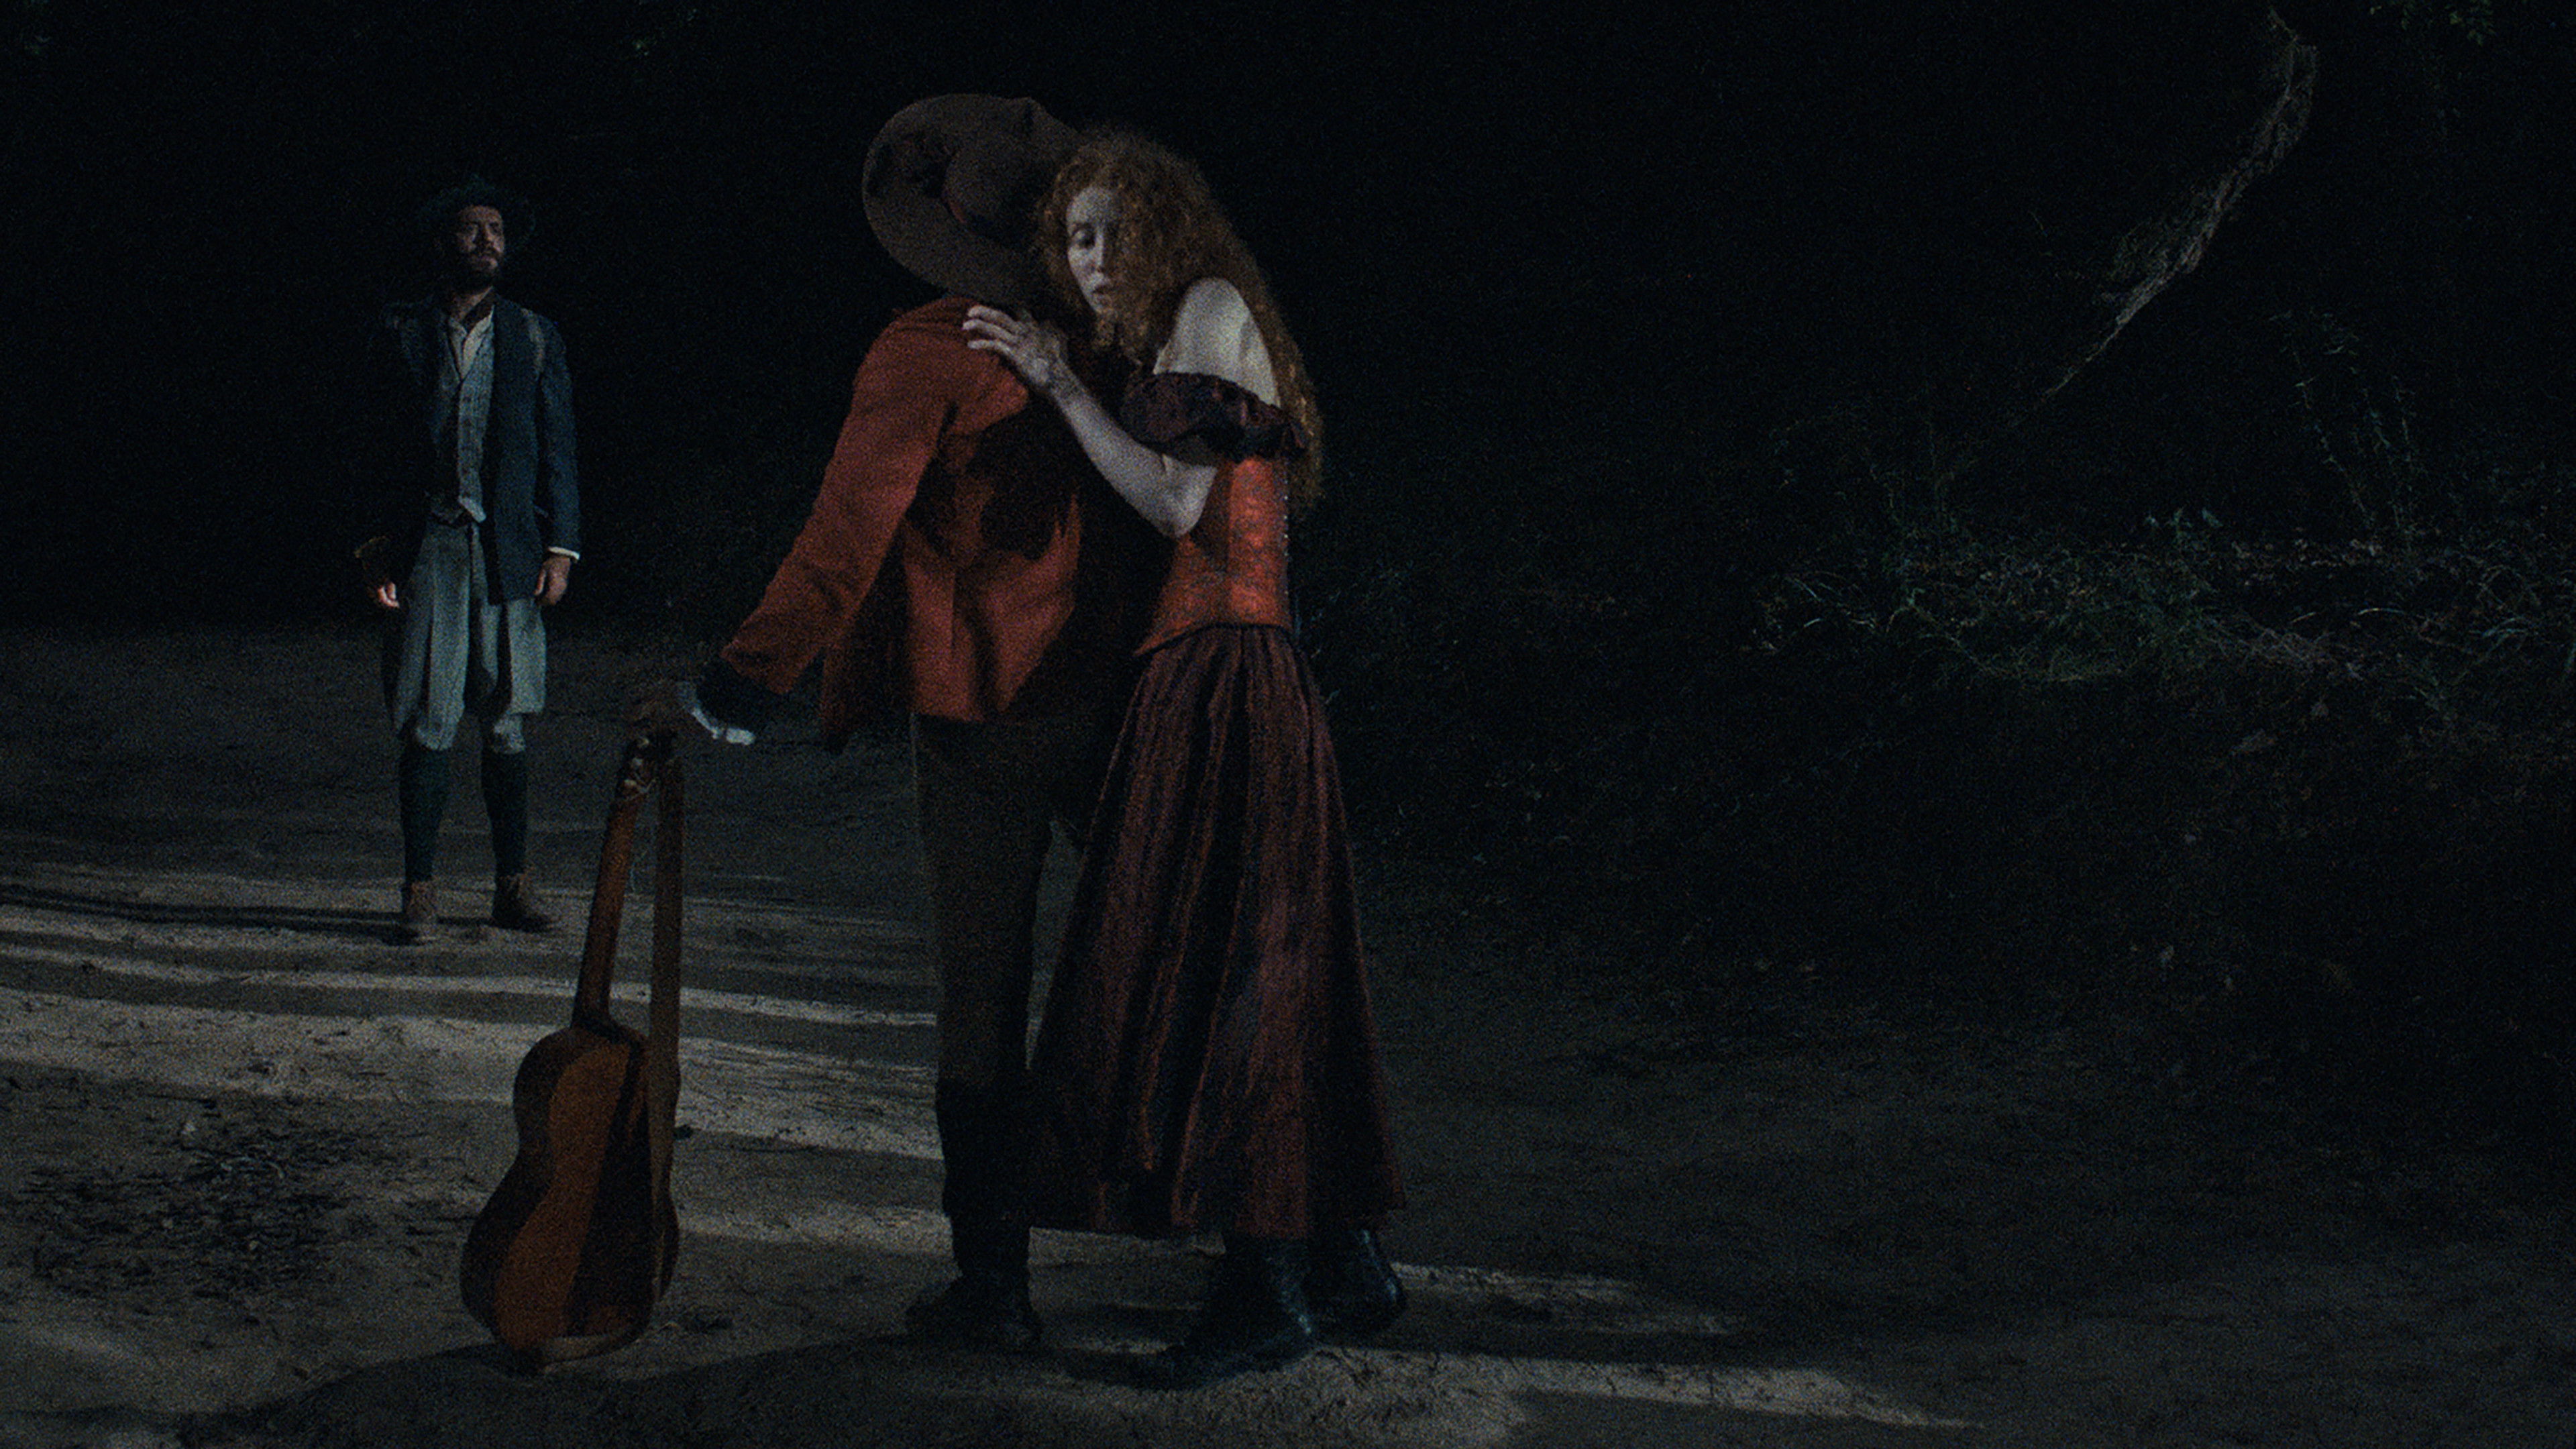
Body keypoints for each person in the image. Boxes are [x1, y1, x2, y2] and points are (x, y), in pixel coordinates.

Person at [649, 96, 1162, 1353]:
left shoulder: (930, 347)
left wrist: (738, 683)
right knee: (1181, 955)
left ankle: (995, 1286)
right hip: (1118, 696)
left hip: (984, 711)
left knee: (983, 997)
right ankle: (1303, 1246)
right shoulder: (1121, 337)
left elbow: (845, 541)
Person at [961, 129, 1405, 1389]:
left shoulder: (1209, 308)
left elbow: (1174, 505)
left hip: (1231, 676)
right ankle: (1342, 1262)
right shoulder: (1174, 337)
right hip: (1207, 672)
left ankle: (1269, 1292)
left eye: (1115, 231)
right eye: (1076, 238)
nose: (1094, 257)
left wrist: (1058, 384)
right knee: (1249, 966)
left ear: (1168, 229)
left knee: (1233, 973)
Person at [356, 177, 580, 945]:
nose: (487, 241)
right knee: (428, 721)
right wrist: (375, 546)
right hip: (430, 548)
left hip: (508, 549)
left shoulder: (534, 336)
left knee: (507, 721)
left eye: (497, 230)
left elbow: (558, 448)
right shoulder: (400, 331)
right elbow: (372, 449)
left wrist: (561, 548)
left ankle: (512, 888)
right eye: (471, 229)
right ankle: (419, 892)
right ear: (442, 243)